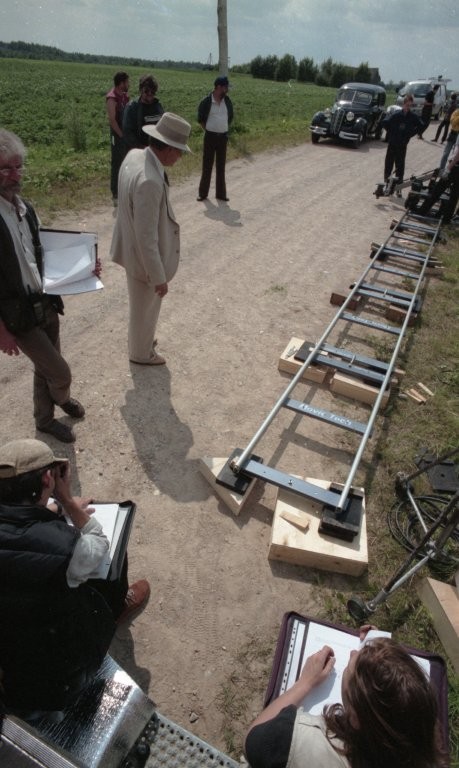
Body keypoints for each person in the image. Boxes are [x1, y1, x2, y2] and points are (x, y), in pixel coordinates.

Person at [0, 438, 150, 720]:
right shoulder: (64, 547)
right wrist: (68, 502)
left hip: (9, 668)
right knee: (111, 561)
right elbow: (98, 543)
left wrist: (51, 509)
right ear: (48, 479)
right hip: (56, 672)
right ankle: (115, 608)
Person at [0, 129, 100, 444]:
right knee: (59, 372)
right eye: (5, 168)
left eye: (18, 167)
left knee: (45, 366)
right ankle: (61, 397)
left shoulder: (25, 209)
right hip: (17, 315)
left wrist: (85, 269)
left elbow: (48, 254)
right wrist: (1, 329)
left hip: (45, 302)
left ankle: (44, 420)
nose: (14, 175)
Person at [245, 627, 447, 768]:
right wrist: (377, 646)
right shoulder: (422, 744)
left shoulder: (301, 738)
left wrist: (304, 683)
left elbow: (252, 742)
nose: (351, 652)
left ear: (356, 719)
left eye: (351, 667)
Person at [110, 112, 191, 366]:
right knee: (144, 309)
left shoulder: (135, 155)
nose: (179, 157)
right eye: (179, 152)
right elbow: (147, 238)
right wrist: (158, 276)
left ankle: (142, 342)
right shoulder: (151, 182)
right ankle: (141, 353)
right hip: (142, 258)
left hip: (129, 247)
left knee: (141, 307)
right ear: (168, 148)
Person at [197, 75, 234, 202]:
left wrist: (222, 128)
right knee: (207, 165)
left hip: (223, 137)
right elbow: (201, 119)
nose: (227, 90)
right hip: (210, 137)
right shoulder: (206, 101)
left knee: (221, 166)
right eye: (225, 87)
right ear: (218, 87)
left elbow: (230, 117)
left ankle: (221, 194)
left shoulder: (227, 101)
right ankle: (203, 194)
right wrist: (209, 129)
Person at [381, 95, 422, 194]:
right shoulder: (396, 115)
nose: (408, 107)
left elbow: (421, 125)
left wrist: (410, 134)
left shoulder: (412, 117)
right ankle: (387, 184)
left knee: (400, 166)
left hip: (402, 145)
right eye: (407, 105)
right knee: (389, 164)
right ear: (403, 104)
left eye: (410, 106)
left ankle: (399, 188)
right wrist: (391, 133)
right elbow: (385, 122)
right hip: (392, 143)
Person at [416, 133, 459, 222]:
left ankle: (422, 211)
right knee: (454, 196)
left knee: (437, 190)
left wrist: (448, 168)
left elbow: (457, 155)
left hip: (455, 167)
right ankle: (446, 219)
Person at [106, 71, 130, 205]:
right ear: (121, 83)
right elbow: (112, 120)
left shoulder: (125, 96)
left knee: (126, 162)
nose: (128, 84)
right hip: (117, 135)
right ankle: (115, 194)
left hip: (125, 135)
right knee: (116, 163)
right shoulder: (112, 98)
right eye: (127, 82)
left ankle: (124, 190)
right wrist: (121, 135)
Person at [122, 74, 165, 150]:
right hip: (138, 150)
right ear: (140, 90)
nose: (150, 94)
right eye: (146, 91)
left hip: (156, 150)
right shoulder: (132, 107)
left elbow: (162, 127)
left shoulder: (158, 106)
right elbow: (127, 132)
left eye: (153, 92)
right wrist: (142, 148)